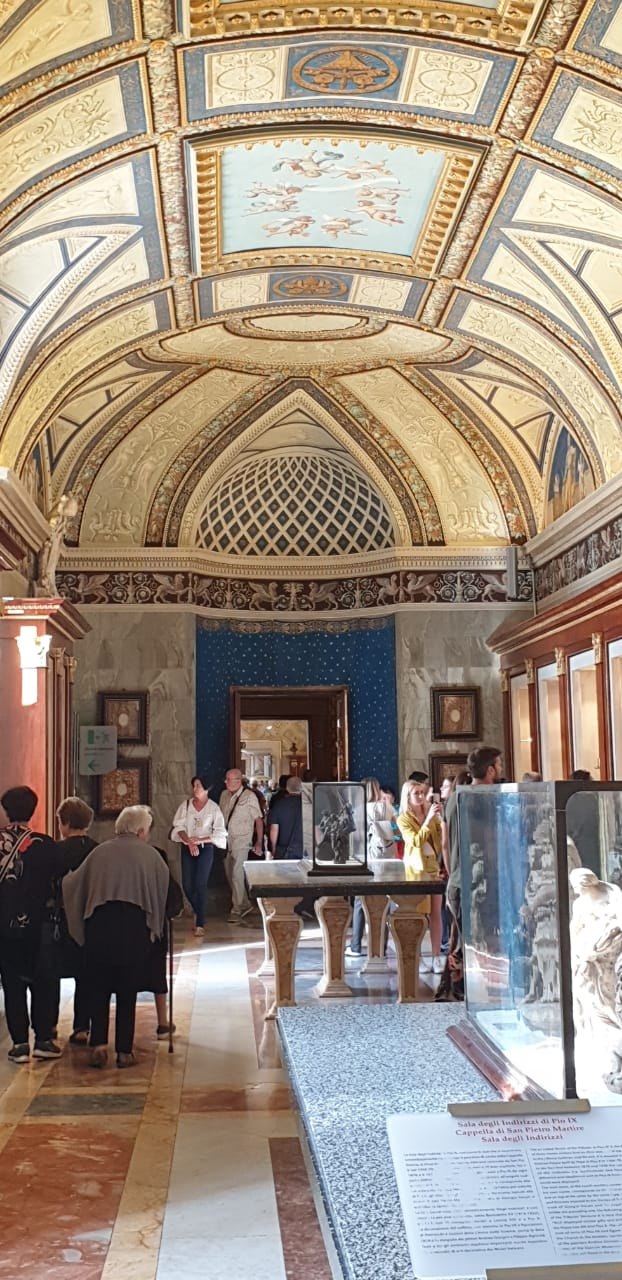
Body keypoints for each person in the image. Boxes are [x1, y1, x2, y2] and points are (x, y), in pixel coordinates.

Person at [62, 805, 169, 1069]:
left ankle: (99, 1044)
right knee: (127, 988)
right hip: (134, 926)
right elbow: (165, 892)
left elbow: (72, 884)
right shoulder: (151, 855)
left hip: (99, 925)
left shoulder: (99, 852)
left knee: (98, 985)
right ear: (141, 830)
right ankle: (123, 1051)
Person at [0, 787, 63, 1064]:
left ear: (6, 810)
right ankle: (44, 1040)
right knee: (43, 980)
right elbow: (59, 882)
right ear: (33, 810)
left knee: (12, 982)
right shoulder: (45, 844)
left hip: (4, 926)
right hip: (40, 925)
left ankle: (19, 1044)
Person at [54, 796, 98, 1046]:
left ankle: (49, 1026)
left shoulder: (55, 851)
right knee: (86, 975)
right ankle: (82, 1026)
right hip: (89, 920)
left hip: (59, 921)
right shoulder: (97, 850)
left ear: (66, 823)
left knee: (51, 974)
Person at [346, 778, 397, 958]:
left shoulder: (358, 809)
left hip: (366, 858)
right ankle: (381, 946)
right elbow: (397, 829)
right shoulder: (386, 807)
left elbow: (353, 837)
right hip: (386, 857)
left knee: (360, 901)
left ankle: (356, 945)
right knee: (384, 900)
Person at [170, 777, 226, 936]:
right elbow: (178, 827)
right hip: (187, 847)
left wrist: (200, 840)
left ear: (206, 788)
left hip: (205, 849)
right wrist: (189, 842)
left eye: (198, 786)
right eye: (194, 786)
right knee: (187, 885)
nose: (195, 789)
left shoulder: (214, 808)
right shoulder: (186, 805)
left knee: (201, 884)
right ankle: (199, 910)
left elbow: (219, 833)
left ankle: (200, 922)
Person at [397, 780, 443, 972]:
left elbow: (438, 839)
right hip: (417, 868)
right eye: (416, 793)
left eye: (422, 792)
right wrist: (428, 820)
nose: (421, 796)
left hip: (433, 866)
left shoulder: (428, 812)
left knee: (436, 912)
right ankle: (419, 955)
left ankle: (436, 956)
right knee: (420, 914)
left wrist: (439, 820)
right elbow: (415, 841)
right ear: (408, 796)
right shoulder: (403, 819)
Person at [219, 769, 263, 923]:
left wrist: (259, 841)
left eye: (228, 779)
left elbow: (258, 820)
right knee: (230, 873)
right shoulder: (224, 795)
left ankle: (237, 909)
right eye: (226, 779)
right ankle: (244, 903)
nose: (225, 782)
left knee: (237, 874)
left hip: (243, 840)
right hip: (226, 841)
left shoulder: (249, 796)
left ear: (238, 781)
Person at [268, 776, 304, 859]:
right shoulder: (308, 805)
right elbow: (315, 828)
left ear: (287, 788)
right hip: (303, 848)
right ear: (302, 788)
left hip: (283, 849)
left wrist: (273, 848)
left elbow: (274, 829)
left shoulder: (279, 804)